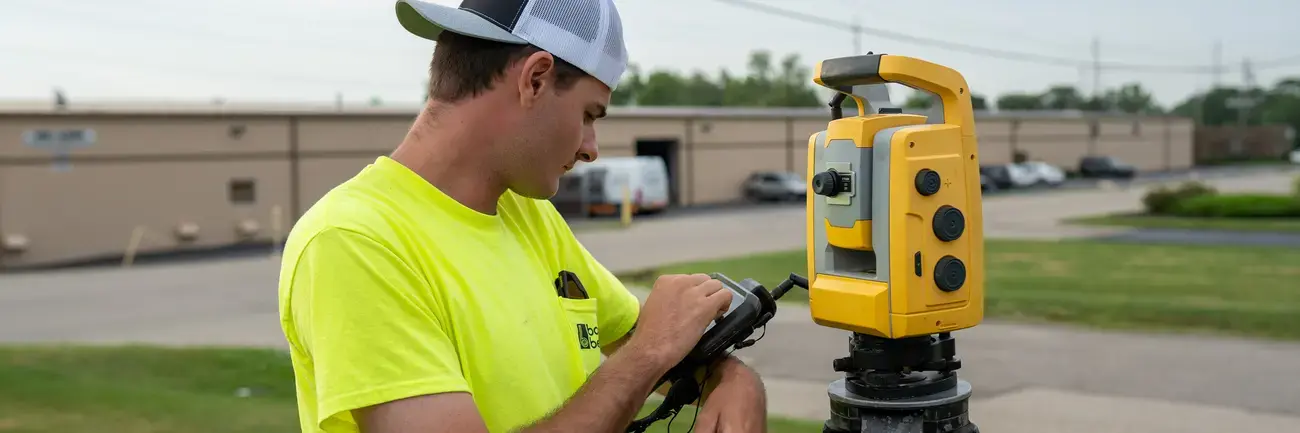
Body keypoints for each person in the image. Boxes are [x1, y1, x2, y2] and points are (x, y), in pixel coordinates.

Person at [275, 0, 769, 432]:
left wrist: (734, 380)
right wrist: (648, 356)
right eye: (590, 115)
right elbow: (650, 348)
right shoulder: (354, 241)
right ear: (534, 78)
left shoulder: (528, 213)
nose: (591, 148)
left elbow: (653, 339)